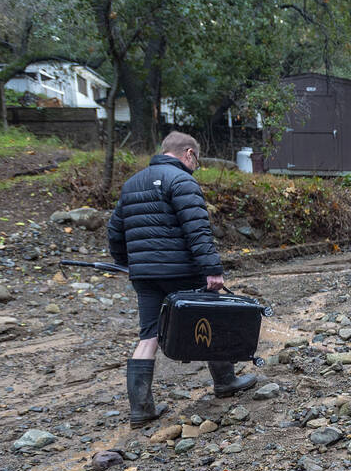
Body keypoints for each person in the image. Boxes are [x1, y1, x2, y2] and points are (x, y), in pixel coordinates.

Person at [107, 131, 256, 426]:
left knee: (149, 334)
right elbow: (197, 230)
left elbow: (115, 231)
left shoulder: (132, 183)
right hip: (181, 271)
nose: (196, 165)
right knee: (214, 318)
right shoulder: (182, 181)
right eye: (196, 160)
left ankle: (141, 409)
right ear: (188, 153)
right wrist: (212, 269)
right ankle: (225, 381)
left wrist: (128, 263)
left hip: (144, 274)